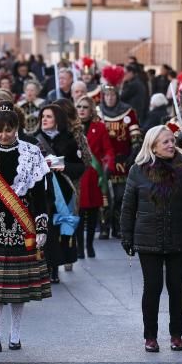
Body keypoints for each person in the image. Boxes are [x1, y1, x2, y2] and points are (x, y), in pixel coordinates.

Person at [0, 105, 52, 351]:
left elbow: (39, 194)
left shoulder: (32, 153)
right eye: (0, 130)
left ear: (17, 129)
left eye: (9, 129)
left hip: (23, 224)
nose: (4, 134)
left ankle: (15, 334)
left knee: (19, 287)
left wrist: (41, 225)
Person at [120, 126, 182, 353]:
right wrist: (127, 237)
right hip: (148, 237)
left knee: (177, 287)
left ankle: (176, 335)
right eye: (165, 142)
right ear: (152, 147)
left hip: (179, 236)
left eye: (172, 141)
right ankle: (150, 336)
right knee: (152, 288)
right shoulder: (137, 170)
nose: (171, 145)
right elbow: (128, 207)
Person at [34, 104, 84, 282]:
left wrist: (64, 167)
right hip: (42, 190)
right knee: (46, 227)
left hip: (63, 191)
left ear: (58, 119)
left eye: (49, 116)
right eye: (43, 116)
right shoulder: (34, 140)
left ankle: (55, 267)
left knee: (58, 229)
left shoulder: (69, 140)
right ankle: (46, 266)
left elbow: (80, 167)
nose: (44, 119)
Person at [99, 65, 142, 240]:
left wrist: (132, 157)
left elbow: (136, 138)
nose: (109, 98)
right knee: (103, 197)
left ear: (117, 95)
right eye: (106, 95)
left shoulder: (128, 112)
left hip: (122, 161)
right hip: (102, 163)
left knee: (120, 197)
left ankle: (118, 227)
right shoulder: (97, 112)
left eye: (112, 95)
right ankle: (103, 227)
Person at [75, 95, 114, 259]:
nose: (82, 110)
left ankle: (89, 244)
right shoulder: (72, 128)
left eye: (85, 107)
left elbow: (108, 150)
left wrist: (108, 167)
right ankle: (79, 247)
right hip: (77, 175)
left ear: (91, 110)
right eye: (79, 107)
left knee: (91, 212)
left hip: (93, 176)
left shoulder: (100, 128)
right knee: (78, 212)